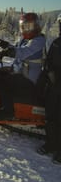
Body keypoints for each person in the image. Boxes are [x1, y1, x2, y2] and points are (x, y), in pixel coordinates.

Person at [0, 12, 47, 117]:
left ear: (36, 26)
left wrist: (9, 52)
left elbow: (23, 52)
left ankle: (8, 110)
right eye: (24, 26)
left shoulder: (39, 40)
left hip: (29, 79)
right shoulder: (25, 39)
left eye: (29, 26)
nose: (27, 29)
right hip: (21, 72)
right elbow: (17, 48)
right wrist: (5, 45)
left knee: (2, 82)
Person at [37, 13, 61, 164]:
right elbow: (49, 62)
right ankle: (51, 144)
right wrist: (48, 73)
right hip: (54, 87)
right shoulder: (57, 43)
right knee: (51, 117)